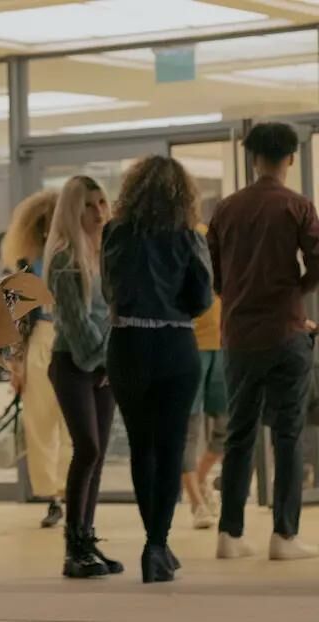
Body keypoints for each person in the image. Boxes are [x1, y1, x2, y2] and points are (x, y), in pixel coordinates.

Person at [208, 121, 319, 561]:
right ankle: (284, 536)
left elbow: (215, 275)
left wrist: (239, 295)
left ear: (253, 158)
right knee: (287, 434)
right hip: (285, 331)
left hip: (238, 336)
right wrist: (294, 293)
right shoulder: (298, 206)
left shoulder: (225, 210)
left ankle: (229, 534)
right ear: (290, 157)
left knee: (239, 433)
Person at [101, 155, 213, 583]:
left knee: (141, 447)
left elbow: (110, 289)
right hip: (174, 344)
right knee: (170, 448)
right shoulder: (188, 236)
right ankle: (157, 545)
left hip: (127, 343)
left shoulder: (114, 232)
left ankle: (155, 542)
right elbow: (202, 297)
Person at [44, 175, 121, 579]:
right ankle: (73, 548)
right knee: (87, 448)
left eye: (102, 203)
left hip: (104, 365)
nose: (98, 212)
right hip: (72, 363)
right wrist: (106, 360)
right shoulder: (64, 258)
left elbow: (114, 313)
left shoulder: (107, 252)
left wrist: (112, 361)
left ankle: (87, 539)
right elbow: (76, 325)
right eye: (89, 205)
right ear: (73, 211)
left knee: (99, 454)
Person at [2, 190, 72, 528]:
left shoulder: (79, 255)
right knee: (40, 421)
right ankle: (53, 496)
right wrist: (16, 365)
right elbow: (16, 319)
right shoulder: (27, 265)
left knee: (74, 423)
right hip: (42, 338)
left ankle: (70, 490)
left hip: (73, 338)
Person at [182, 223, 226, 531]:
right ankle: (196, 501)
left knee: (227, 425)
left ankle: (199, 478)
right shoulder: (181, 238)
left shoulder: (213, 235)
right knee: (189, 429)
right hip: (191, 345)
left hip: (222, 344)